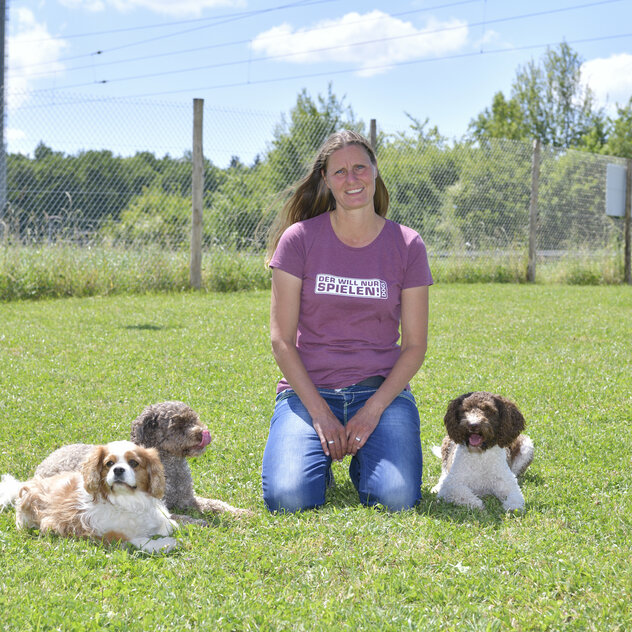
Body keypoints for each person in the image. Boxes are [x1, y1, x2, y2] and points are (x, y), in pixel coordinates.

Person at [261, 129, 433, 513]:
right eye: (339, 172)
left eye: (359, 168)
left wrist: (372, 412)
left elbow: (415, 346)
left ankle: (365, 455)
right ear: (325, 180)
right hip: (308, 391)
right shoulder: (299, 239)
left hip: (381, 393)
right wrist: (320, 414)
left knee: (397, 498)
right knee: (288, 498)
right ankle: (316, 458)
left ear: (375, 171)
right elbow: (282, 341)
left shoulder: (407, 244)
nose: (351, 179)